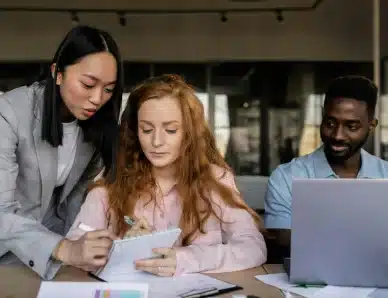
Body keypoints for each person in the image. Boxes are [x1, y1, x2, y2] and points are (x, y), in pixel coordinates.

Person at [67, 74, 267, 276]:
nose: (156, 142)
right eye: (146, 130)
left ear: (189, 134)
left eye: (170, 130)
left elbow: (253, 247)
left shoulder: (215, 180)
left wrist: (184, 259)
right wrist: (123, 248)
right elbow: (75, 248)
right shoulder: (109, 185)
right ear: (135, 132)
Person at [0, 25, 123, 279]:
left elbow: (73, 206)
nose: (98, 99)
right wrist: (63, 248)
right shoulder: (9, 113)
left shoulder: (94, 128)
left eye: (109, 89)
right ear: (57, 73)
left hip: (42, 259)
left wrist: (89, 243)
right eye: (88, 84)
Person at [264, 75, 388, 253]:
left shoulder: (385, 175)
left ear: (371, 125)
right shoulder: (287, 177)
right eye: (330, 123)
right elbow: (285, 242)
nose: (337, 135)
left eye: (351, 126)